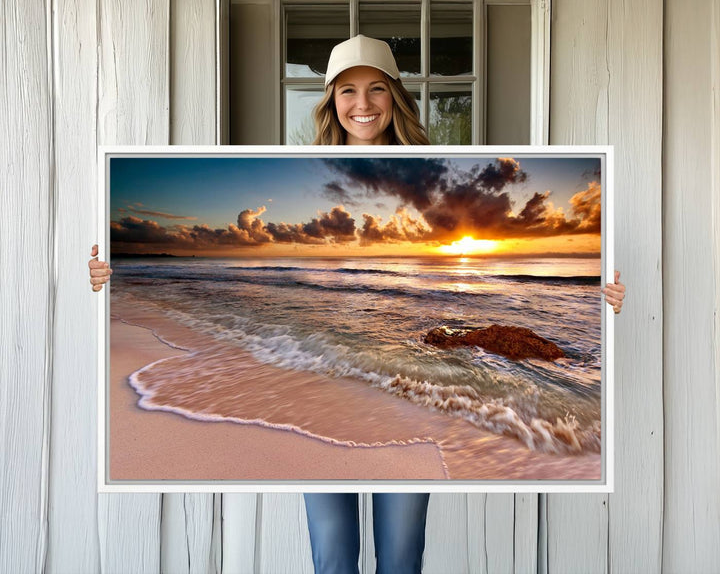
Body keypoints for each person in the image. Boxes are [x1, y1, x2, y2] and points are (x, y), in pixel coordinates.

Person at [88, 35, 627, 574]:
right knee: (333, 557)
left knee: (400, 557)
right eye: (348, 90)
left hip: (410, 394)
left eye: (376, 90)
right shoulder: (296, 167)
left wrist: (606, 299)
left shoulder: (438, 164)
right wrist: (106, 278)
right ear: (330, 100)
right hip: (318, 382)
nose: (363, 104)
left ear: (395, 96)